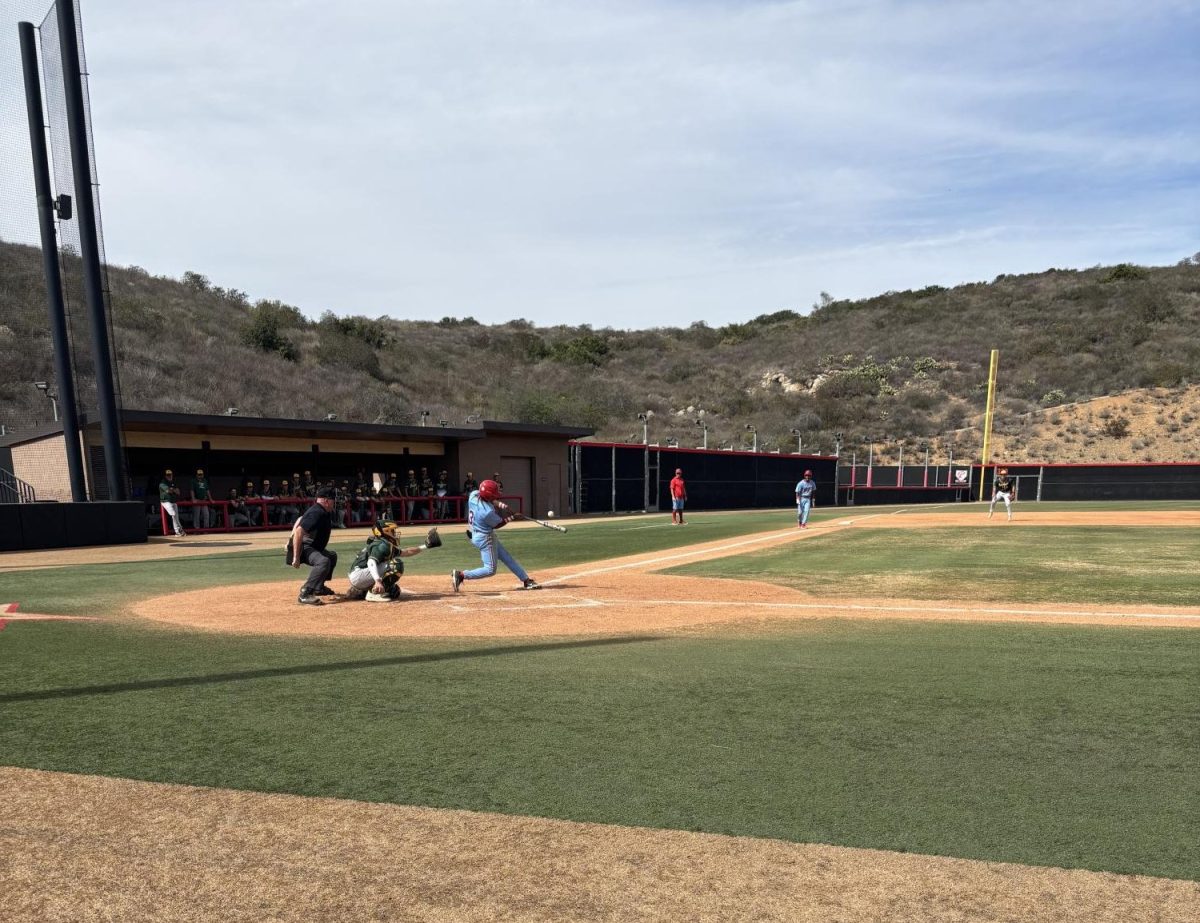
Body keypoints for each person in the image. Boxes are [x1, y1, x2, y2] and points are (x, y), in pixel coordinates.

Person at [451, 479, 540, 592]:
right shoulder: (486, 512)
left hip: (476, 533)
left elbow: (492, 500)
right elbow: (498, 524)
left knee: (507, 558)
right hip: (485, 539)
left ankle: (526, 580)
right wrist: (513, 517)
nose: (495, 497)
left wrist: (506, 508)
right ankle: (461, 575)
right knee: (490, 569)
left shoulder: (474, 495)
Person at [344, 519, 438, 602]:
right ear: (386, 531)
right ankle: (374, 594)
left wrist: (426, 545)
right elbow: (371, 562)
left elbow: (406, 552)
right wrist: (378, 581)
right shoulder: (382, 545)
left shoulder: (382, 543)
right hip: (359, 575)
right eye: (392, 531)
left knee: (393, 591)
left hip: (359, 575)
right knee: (396, 564)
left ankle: (365, 591)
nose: (395, 533)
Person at [288, 486, 338, 605]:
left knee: (332, 556)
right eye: (333, 500)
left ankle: (318, 587)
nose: (334, 502)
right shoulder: (317, 512)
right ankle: (305, 593)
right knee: (323, 561)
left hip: (312, 546)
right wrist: (296, 556)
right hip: (303, 548)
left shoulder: (322, 510)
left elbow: (300, 518)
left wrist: (289, 538)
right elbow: (299, 531)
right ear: (326, 501)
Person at [158, 469, 186, 537]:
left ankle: (178, 532)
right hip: (165, 502)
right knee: (173, 514)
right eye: (168, 475)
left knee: (176, 516)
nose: (169, 476)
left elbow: (178, 492)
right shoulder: (162, 483)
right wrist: (173, 490)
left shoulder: (173, 482)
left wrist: (172, 490)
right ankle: (180, 530)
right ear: (165, 476)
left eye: (170, 475)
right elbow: (168, 491)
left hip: (173, 501)